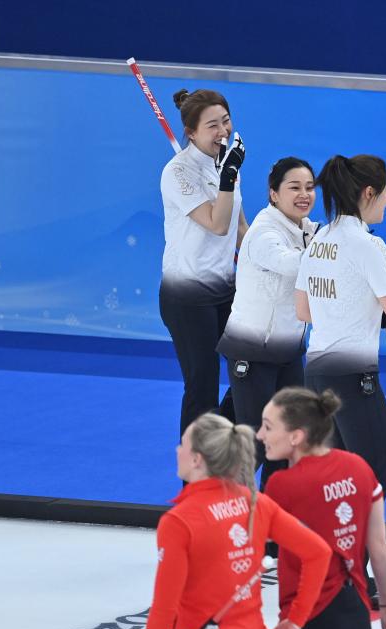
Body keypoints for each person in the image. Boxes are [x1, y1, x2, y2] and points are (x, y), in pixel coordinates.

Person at [294, 154, 386, 497]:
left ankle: (332, 552)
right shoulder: (369, 245)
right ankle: (354, 553)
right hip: (353, 380)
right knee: (372, 479)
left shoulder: (320, 238)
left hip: (316, 373)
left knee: (335, 483)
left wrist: (359, 294)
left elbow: (304, 310)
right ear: (369, 192)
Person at [146, 413, 331, 629]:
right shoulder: (256, 503)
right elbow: (319, 552)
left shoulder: (179, 522)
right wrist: (296, 620)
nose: (177, 450)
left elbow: (164, 610)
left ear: (196, 459)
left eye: (183, 444)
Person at [258, 387, 386, 629]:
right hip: (356, 615)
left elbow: (251, 545)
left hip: (308, 618)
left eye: (268, 427)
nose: (260, 435)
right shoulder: (358, 467)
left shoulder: (282, 484)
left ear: (296, 437)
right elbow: (379, 548)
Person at [217, 157, 319, 489]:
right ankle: (227, 519)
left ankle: (272, 526)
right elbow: (291, 265)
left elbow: (333, 242)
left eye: (309, 187)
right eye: (294, 187)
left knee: (287, 441)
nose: (303, 194)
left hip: (288, 352)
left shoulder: (307, 229)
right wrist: (335, 253)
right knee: (258, 444)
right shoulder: (264, 232)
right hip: (253, 351)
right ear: (273, 194)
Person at [160, 88, 249, 437]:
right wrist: (226, 177)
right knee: (202, 387)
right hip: (186, 295)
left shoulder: (227, 162)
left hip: (226, 289)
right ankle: (196, 483)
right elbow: (217, 223)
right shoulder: (177, 173)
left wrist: (277, 260)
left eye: (226, 121)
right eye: (212, 125)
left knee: (252, 370)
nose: (223, 131)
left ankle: (221, 442)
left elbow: (240, 227)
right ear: (191, 132)